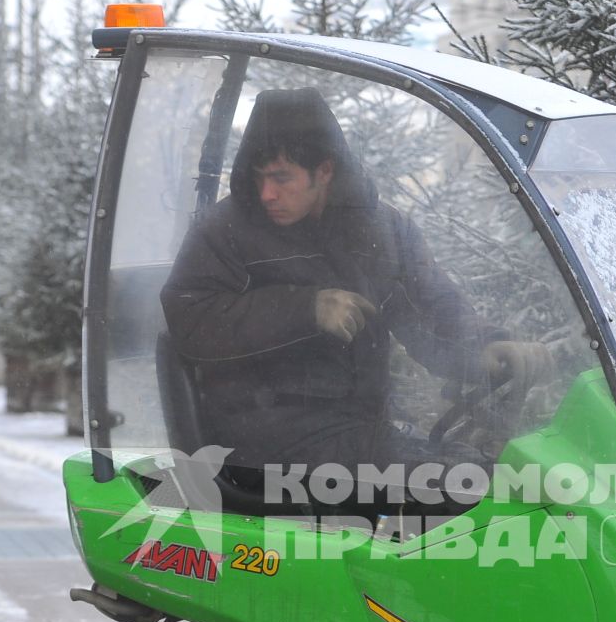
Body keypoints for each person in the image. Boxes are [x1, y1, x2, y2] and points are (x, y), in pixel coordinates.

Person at [160, 87, 549, 474]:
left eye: (282, 178)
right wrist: (304, 308)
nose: (267, 194)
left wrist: (484, 350)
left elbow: (426, 304)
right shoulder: (226, 230)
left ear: (325, 171)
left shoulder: (380, 228)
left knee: (494, 478)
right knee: (462, 487)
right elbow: (190, 318)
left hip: (358, 432)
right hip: (264, 446)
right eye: (260, 178)